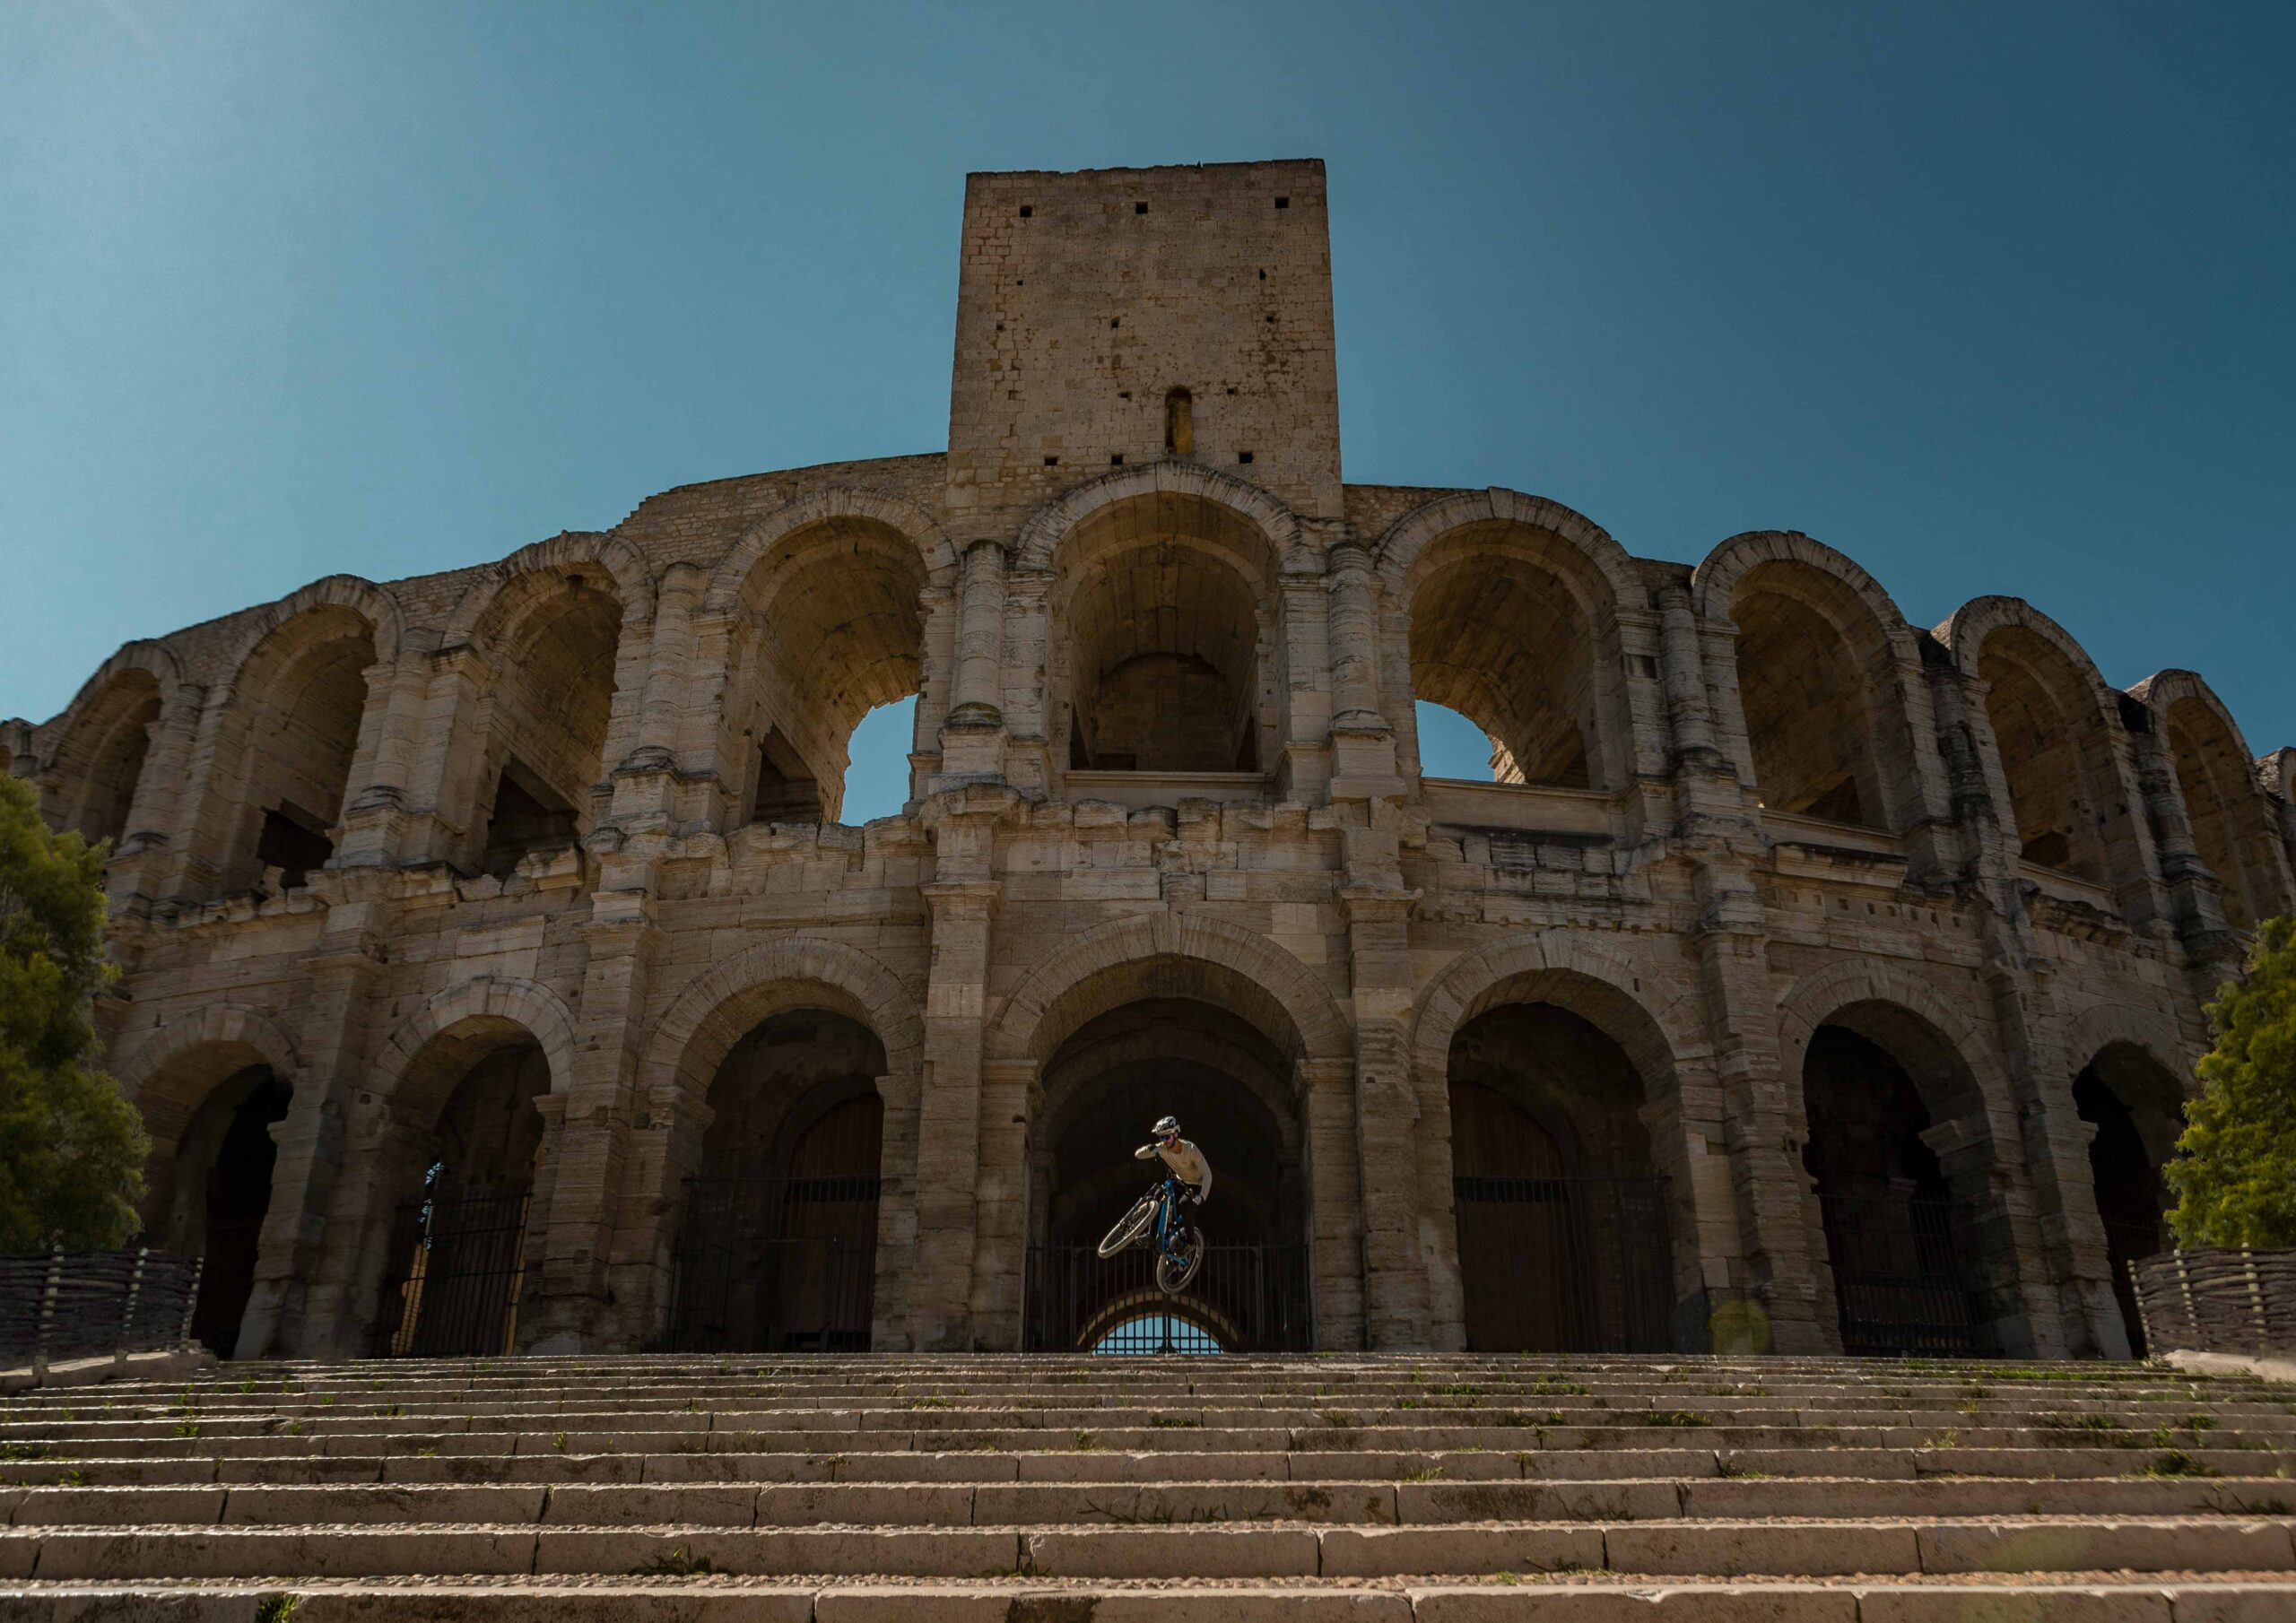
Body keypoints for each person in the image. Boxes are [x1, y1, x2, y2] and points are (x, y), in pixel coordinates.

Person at [1135, 1115, 1212, 1208]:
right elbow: (1138, 1155)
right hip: (1180, 1182)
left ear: (1175, 1134)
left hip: (1196, 1185)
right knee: (1156, 1197)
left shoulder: (1191, 1149)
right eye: (1162, 1138)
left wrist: (1202, 1196)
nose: (1165, 1141)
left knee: (1185, 1205)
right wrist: (1149, 1148)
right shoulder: (1162, 1148)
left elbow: (1207, 1174)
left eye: (1167, 1137)